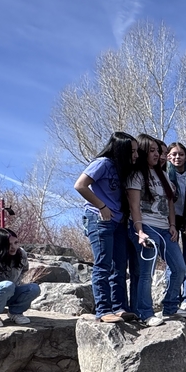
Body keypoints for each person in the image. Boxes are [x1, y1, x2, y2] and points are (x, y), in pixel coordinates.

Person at [73, 131, 137, 323]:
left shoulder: (122, 169)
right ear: (122, 149)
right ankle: (103, 309)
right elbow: (80, 185)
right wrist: (102, 206)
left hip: (118, 222)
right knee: (103, 264)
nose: (135, 155)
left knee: (119, 266)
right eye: (132, 151)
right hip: (99, 218)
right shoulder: (103, 163)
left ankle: (119, 308)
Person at [127, 134, 186, 326]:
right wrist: (139, 230)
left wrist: (172, 226)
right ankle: (145, 313)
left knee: (179, 268)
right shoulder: (136, 175)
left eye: (159, 151)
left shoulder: (163, 176)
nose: (158, 155)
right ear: (144, 152)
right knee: (147, 272)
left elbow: (170, 204)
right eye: (152, 151)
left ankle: (170, 307)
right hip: (145, 227)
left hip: (165, 229)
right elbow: (134, 206)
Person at [166, 142, 186, 311]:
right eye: (173, 154)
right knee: (172, 260)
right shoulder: (164, 172)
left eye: (181, 154)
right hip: (170, 219)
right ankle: (172, 297)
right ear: (168, 156)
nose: (177, 157)